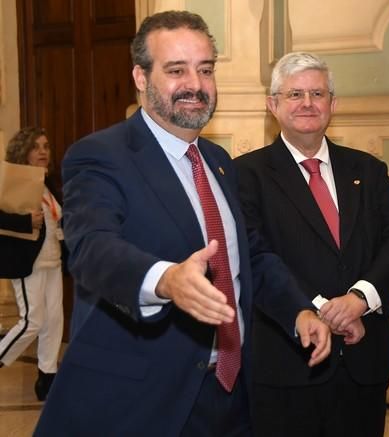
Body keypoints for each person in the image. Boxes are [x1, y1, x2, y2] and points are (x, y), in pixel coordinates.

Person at [34, 11, 331, 436]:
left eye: (205, 69)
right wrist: (166, 279)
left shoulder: (219, 162)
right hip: (141, 405)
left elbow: (250, 255)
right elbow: (93, 249)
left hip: (229, 397)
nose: (195, 84)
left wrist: (299, 310)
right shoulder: (100, 156)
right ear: (141, 77)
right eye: (176, 70)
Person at [234, 51, 389, 437]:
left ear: (333, 104)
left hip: (364, 366)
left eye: (317, 94)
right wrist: (324, 310)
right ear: (273, 105)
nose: (307, 104)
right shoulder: (246, 174)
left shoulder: (367, 169)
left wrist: (359, 300)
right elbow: (256, 254)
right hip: (288, 364)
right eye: (295, 94)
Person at [0, 127, 64, 401]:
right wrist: (25, 222)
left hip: (53, 261)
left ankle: (47, 380)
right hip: (28, 263)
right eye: (36, 146)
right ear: (23, 151)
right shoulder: (12, 182)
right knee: (32, 322)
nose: (43, 152)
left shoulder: (47, 184)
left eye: (46, 146)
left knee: (53, 322)